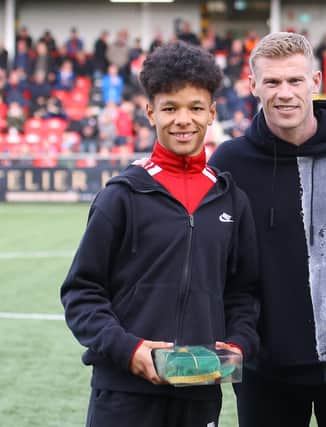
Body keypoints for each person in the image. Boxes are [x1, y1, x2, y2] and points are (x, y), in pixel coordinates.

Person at [60, 41, 260, 427]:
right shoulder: (121, 196)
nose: (183, 119)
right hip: (123, 391)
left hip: (199, 390)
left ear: (212, 112)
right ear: (150, 111)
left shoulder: (231, 199)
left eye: (195, 108)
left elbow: (244, 293)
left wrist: (237, 344)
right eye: (170, 108)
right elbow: (81, 293)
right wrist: (129, 349)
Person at [208, 31, 326, 427]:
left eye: (295, 80)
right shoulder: (229, 162)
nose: (284, 92)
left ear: (315, 82)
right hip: (264, 369)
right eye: (272, 82)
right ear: (252, 86)